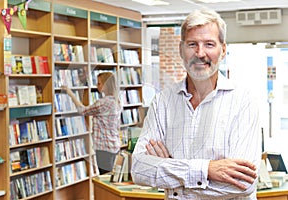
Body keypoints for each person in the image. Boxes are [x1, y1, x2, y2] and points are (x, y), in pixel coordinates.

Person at [131, 9, 261, 200]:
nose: (200, 53)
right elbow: (139, 169)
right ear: (181, 49)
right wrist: (207, 169)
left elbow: (244, 184)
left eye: (209, 44)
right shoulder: (163, 102)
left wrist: (171, 175)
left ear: (223, 50)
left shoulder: (244, 101)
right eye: (192, 44)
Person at [62, 72, 122, 175]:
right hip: (114, 144)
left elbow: (82, 110)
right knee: (111, 177)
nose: (97, 86)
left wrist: (70, 93)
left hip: (104, 148)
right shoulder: (117, 101)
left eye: (99, 83)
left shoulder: (103, 102)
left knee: (105, 178)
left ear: (105, 85)